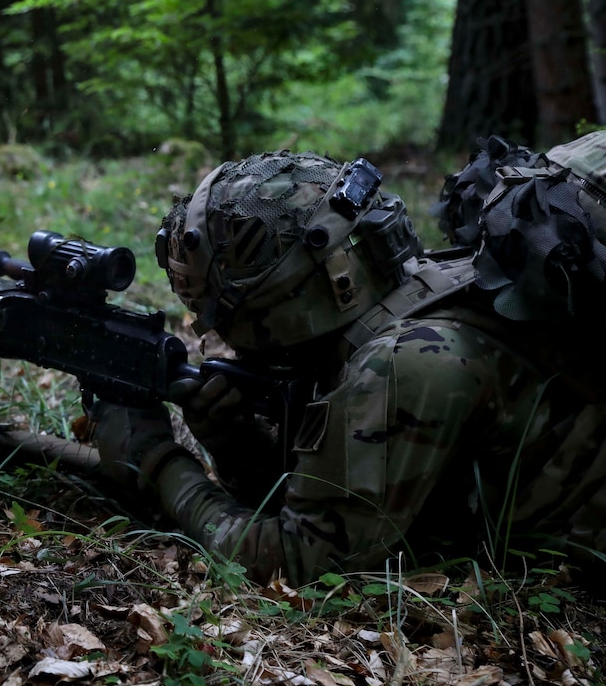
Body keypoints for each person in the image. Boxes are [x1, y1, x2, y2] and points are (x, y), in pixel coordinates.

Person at [90, 142, 606, 587]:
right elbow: (330, 495)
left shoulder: (403, 364)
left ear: (277, 311)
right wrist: (237, 444)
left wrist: (155, 460)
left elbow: (298, 565)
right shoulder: (425, 285)